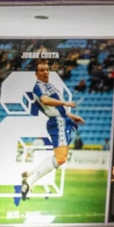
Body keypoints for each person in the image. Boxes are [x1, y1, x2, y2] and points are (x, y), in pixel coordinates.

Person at [19, 60, 85, 201]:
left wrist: (72, 116)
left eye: (47, 69)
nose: (46, 72)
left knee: (61, 157)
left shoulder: (51, 86)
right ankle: (30, 181)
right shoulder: (38, 87)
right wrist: (65, 102)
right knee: (60, 158)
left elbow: (59, 109)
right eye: (42, 70)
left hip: (62, 119)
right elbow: (45, 101)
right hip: (57, 122)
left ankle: (30, 174)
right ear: (36, 74)